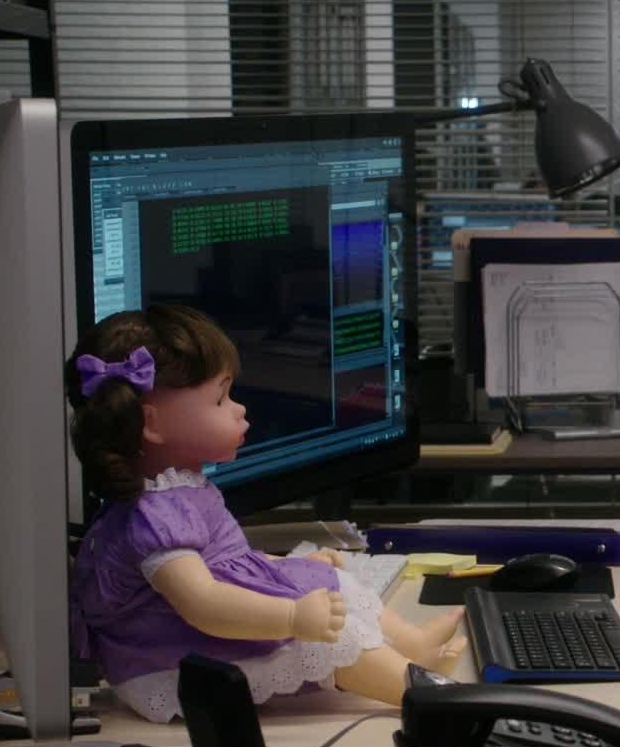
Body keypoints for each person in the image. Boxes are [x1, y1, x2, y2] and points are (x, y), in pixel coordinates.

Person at [67, 304, 467, 722]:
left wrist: (281, 567)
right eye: (219, 399)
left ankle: (415, 649)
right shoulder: (154, 517)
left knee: (333, 582)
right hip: (171, 662)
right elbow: (203, 602)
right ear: (152, 425)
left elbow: (224, 563)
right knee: (329, 638)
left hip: (192, 636)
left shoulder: (178, 491)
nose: (238, 409)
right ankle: (420, 696)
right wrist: (292, 617)